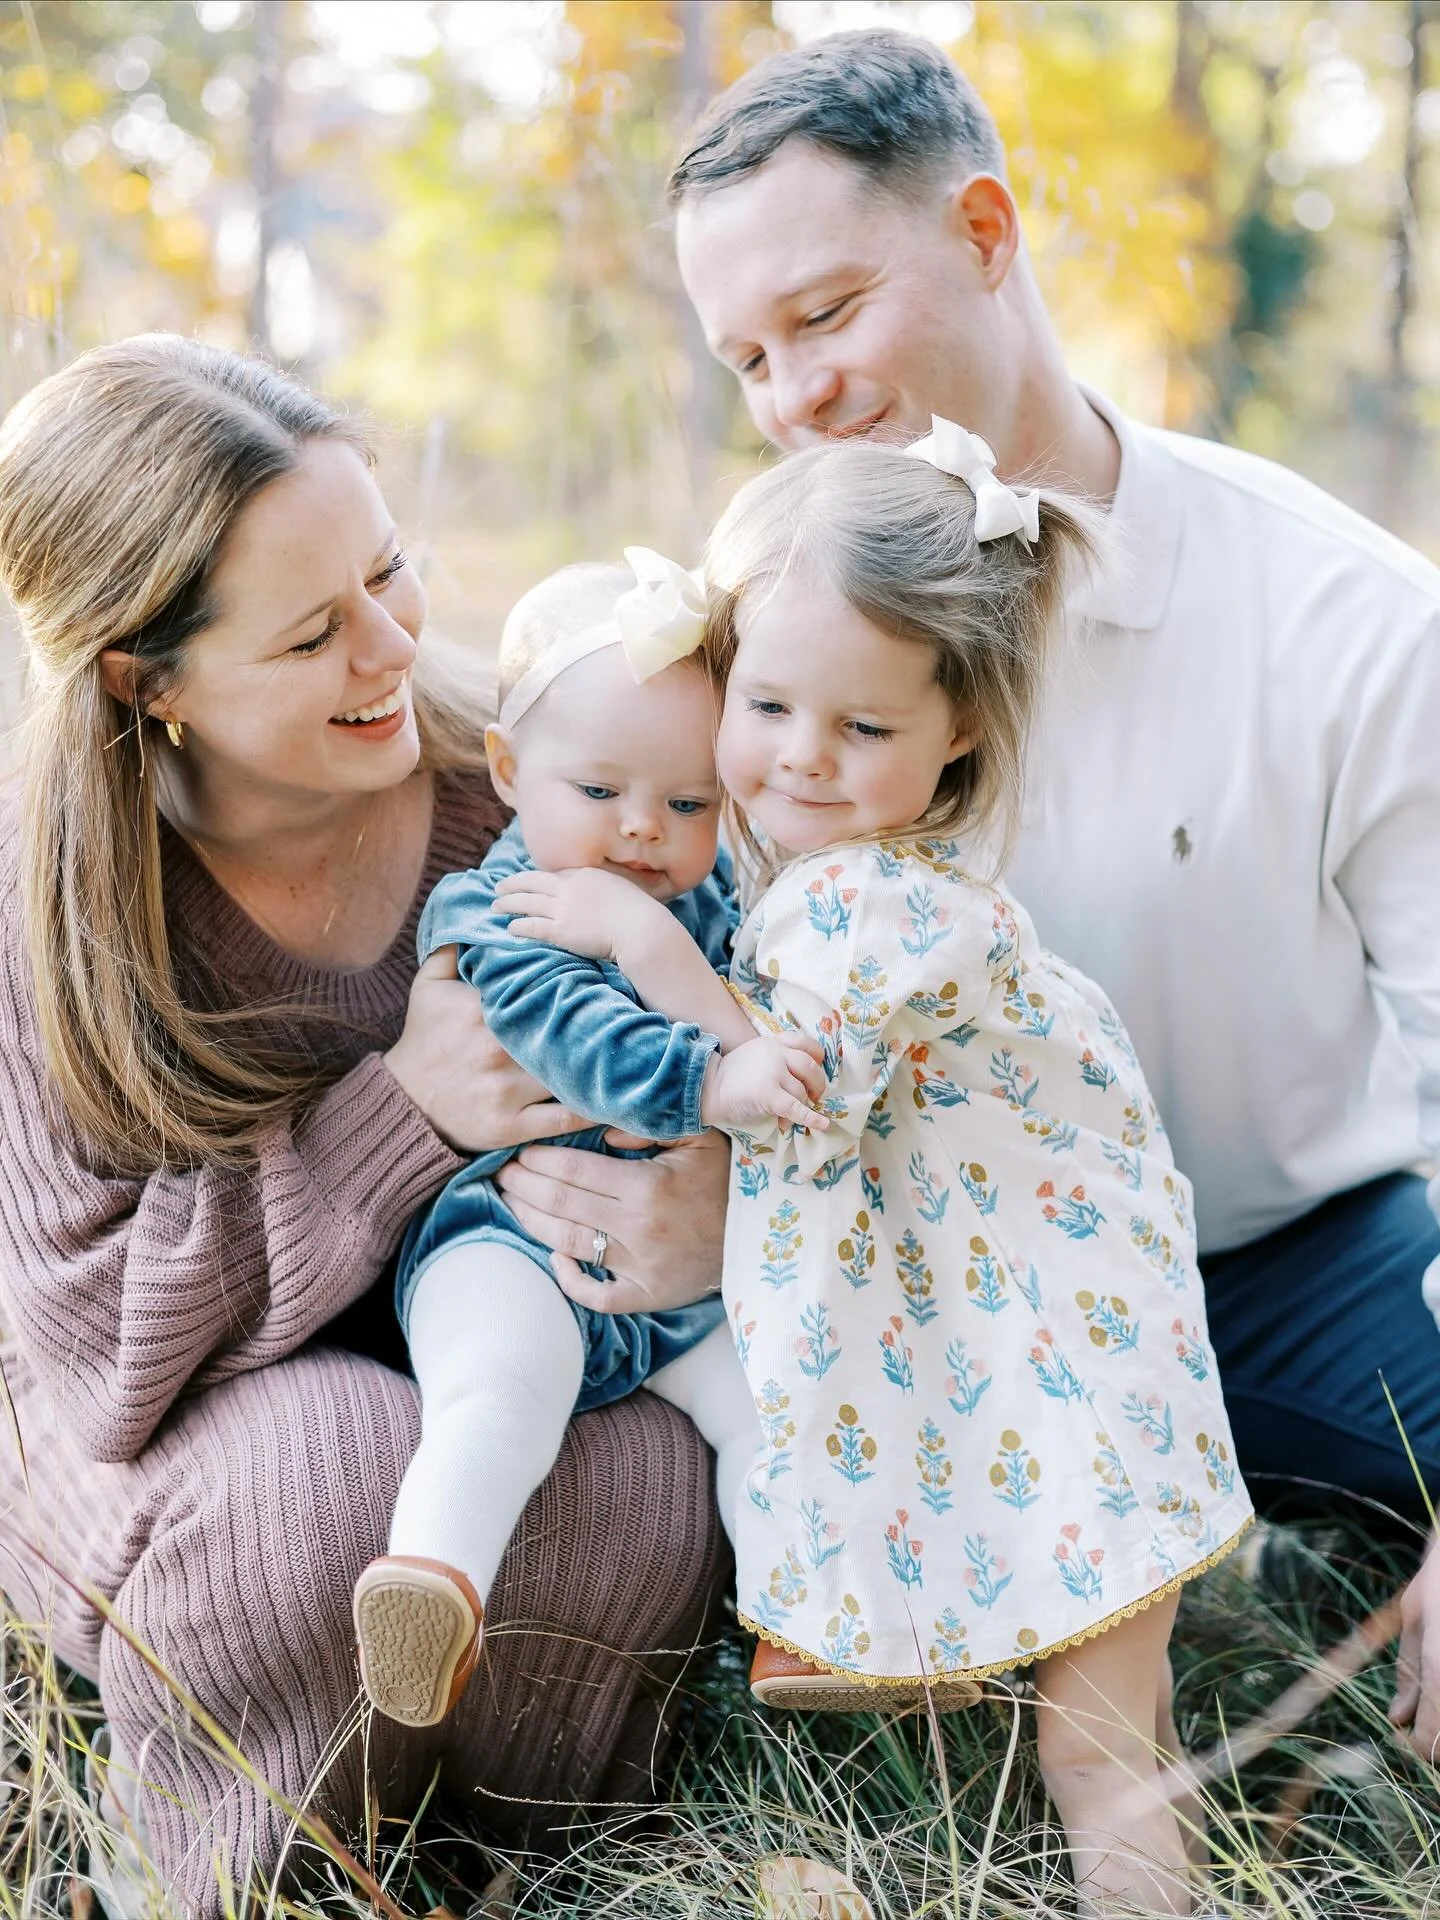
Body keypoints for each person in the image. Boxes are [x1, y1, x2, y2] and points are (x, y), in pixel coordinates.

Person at [667, 26, 1440, 1759]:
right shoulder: (761, 637)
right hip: (897, 1269)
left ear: (990, 233)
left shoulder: (1350, 619)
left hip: (1284, 1265)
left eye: (827, 314)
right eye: (748, 356)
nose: (791, 395)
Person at [0, 335, 729, 1918]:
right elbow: (94, 1360)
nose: (394, 645)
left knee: (646, 1479)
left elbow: (758, 1030)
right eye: (316, 633)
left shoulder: (542, 786)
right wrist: (396, 1115)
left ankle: (550, 1864)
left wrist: (715, 1198)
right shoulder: (60, 915)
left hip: (525, 1341)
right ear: (149, 682)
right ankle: (242, 1871)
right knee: (325, 1481)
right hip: (174, 1421)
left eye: (392, 575)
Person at [517, 426, 1253, 1915]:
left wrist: (646, 943)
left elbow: (794, 1106)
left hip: (1080, 1379)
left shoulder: (868, 912)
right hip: (1071, 1358)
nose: (800, 755)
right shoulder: (842, 885)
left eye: (861, 728)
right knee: (1114, 1738)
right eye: (769, 703)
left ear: (958, 732)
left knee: (1101, 1755)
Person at [353, 554, 819, 1728]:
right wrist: (715, 1080)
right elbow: (570, 1038)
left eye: (685, 804)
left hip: (670, 1293)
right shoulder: (509, 905)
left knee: (778, 1401)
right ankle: (434, 1582)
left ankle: (801, 1616)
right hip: (512, 1239)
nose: (638, 833)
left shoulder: (709, 911)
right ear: (508, 772)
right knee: (500, 1386)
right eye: (601, 790)